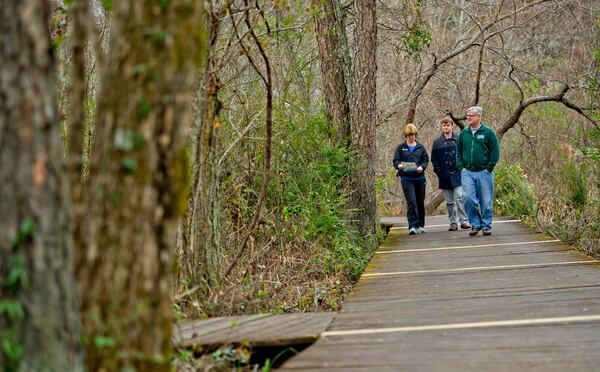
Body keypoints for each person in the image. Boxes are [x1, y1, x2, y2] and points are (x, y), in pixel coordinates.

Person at [456, 106, 500, 236]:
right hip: (467, 172)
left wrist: (489, 168)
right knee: (468, 198)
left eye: (471, 115)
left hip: (484, 172)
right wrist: (461, 167)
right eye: (467, 115)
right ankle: (475, 224)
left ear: (478, 117)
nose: (468, 117)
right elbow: (458, 151)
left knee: (486, 201)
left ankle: (486, 225)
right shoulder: (464, 133)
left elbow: (495, 151)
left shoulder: (488, 132)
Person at [431, 116, 470, 231]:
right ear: (441, 127)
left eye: (448, 125)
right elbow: (434, 159)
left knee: (459, 197)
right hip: (444, 175)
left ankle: (464, 221)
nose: (446, 127)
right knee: (449, 201)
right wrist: (439, 171)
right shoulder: (437, 143)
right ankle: (453, 223)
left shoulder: (459, 139)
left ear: (452, 126)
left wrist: (462, 167)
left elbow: (464, 155)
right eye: (444, 125)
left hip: (457, 173)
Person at [393, 123, 429, 235]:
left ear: (415, 135)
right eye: (409, 135)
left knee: (419, 202)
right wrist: (399, 165)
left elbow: (425, 160)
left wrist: (421, 167)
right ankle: (412, 226)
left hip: (419, 178)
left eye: (412, 135)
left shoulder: (420, 147)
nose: (411, 137)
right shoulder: (401, 147)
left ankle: (421, 225)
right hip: (406, 178)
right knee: (411, 202)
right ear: (406, 136)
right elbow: (395, 160)